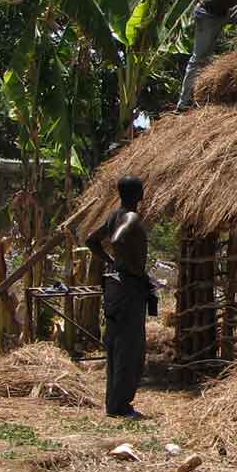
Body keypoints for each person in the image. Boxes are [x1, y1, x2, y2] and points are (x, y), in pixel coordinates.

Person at [86, 176, 153, 420]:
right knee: (129, 346)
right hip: (128, 287)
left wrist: (111, 261)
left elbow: (91, 240)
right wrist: (133, 270)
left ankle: (113, 403)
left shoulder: (114, 216)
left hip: (114, 286)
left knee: (114, 343)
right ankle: (122, 405)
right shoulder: (131, 218)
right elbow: (118, 239)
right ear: (139, 194)